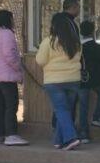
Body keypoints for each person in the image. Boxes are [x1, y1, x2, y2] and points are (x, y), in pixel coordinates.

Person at [36, 12, 83, 150]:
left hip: (54, 82)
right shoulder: (76, 42)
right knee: (65, 111)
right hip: (74, 80)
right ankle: (58, 140)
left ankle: (71, 138)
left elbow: (40, 60)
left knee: (61, 110)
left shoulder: (48, 42)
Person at [0, 10, 28, 146]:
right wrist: (18, 67)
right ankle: (11, 134)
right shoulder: (7, 33)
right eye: (12, 19)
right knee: (11, 106)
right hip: (7, 76)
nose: (13, 21)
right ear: (8, 19)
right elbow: (10, 55)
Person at [76, 20, 100, 141]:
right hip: (96, 80)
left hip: (81, 79)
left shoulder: (78, 48)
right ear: (92, 32)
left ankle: (84, 134)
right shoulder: (97, 47)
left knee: (83, 106)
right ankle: (97, 117)